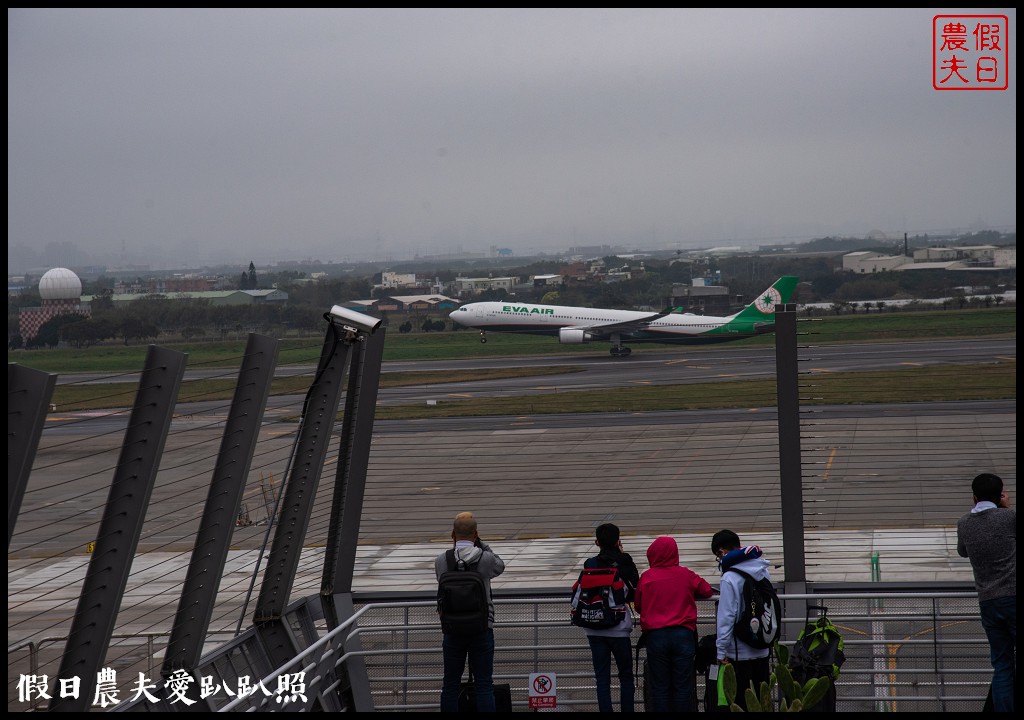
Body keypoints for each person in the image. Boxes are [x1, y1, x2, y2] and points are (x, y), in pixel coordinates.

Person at [435, 512, 506, 712]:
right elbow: (500, 565)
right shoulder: (485, 559)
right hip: (481, 627)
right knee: (484, 685)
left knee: (450, 685)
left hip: (452, 628)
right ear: (476, 534)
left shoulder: (441, 560)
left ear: (452, 535)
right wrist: (481, 543)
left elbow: (442, 581)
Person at [634, 535, 714, 712]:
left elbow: (639, 606)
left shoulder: (647, 577)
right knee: (683, 687)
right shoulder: (686, 574)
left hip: (656, 636)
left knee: (660, 688)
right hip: (683, 635)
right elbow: (707, 590)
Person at [957, 473, 1015, 713]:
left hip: (988, 602)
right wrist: (1006, 508)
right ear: (1001, 495)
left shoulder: (964, 523)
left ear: (974, 497)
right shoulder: (1009, 517)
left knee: (1002, 665)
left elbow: (963, 552)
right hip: (1013, 596)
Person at [579, 523, 640, 713]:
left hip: (594, 626)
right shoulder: (625, 561)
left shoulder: (590, 563)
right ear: (617, 541)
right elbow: (634, 591)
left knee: (602, 678)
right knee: (626, 676)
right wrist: (621, 555)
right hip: (619, 627)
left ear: (597, 542)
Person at [711, 529, 772, 712]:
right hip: (762, 648)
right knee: (762, 703)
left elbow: (726, 617)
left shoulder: (730, 577)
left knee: (740, 704)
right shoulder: (762, 570)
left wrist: (721, 651)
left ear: (722, 552)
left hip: (739, 654)